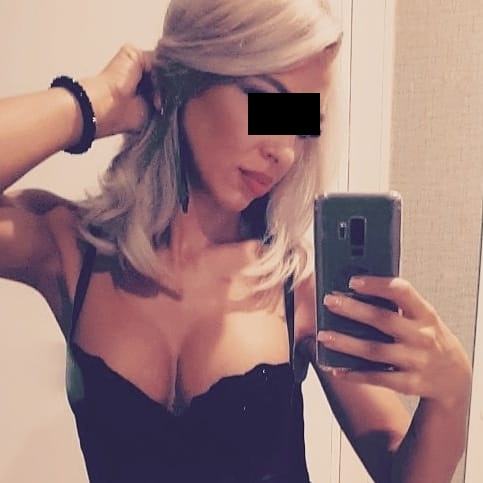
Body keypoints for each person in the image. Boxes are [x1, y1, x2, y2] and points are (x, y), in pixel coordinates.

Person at [0, 0, 472, 482]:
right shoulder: (70, 251)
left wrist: (452, 395)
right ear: (186, 77)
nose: (284, 152)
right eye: (266, 101)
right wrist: (93, 103)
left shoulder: (300, 289)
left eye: (300, 124)